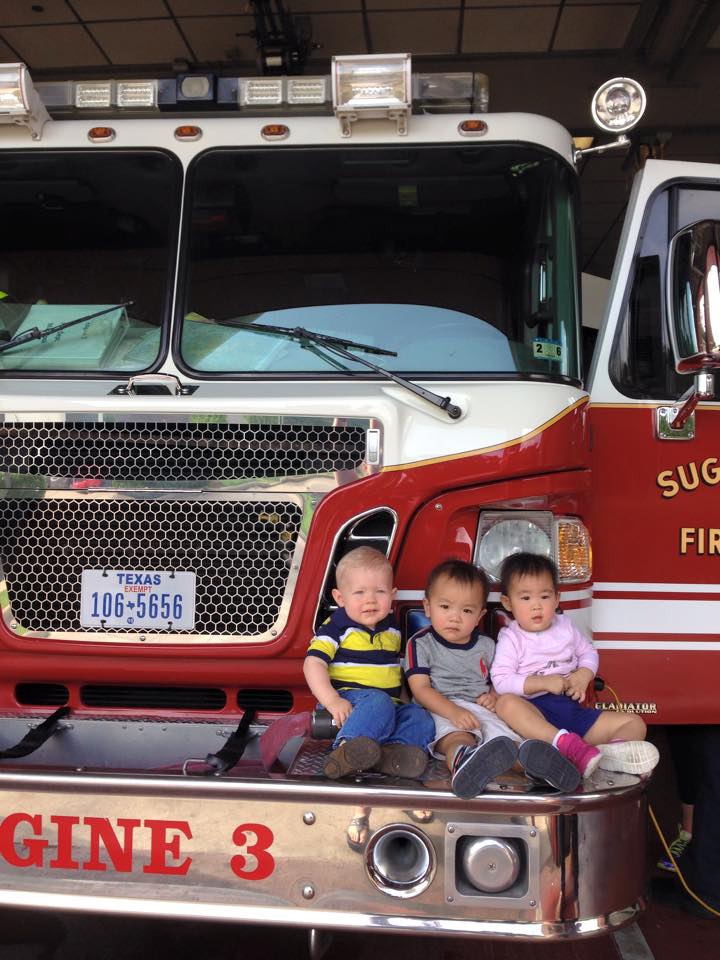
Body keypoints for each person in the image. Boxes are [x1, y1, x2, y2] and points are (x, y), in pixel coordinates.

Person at [404, 558, 582, 799]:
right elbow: (421, 690)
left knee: (507, 742)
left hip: (481, 708)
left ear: (479, 615)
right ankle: (463, 763)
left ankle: (539, 769)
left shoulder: (487, 645)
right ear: (427, 607)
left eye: (466, 610)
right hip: (440, 708)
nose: (455, 617)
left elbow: (498, 680)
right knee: (457, 737)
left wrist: (494, 696)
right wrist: (454, 712)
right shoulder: (420, 643)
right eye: (445, 607)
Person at [491, 552, 659, 780]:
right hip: (536, 714)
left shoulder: (565, 626)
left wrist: (583, 674)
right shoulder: (511, 638)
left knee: (634, 722)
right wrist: (541, 683)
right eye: (526, 598)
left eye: (544, 596)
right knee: (506, 704)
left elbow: (588, 652)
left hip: (573, 711)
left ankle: (609, 755)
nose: (536, 606)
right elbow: (501, 680)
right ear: (507, 603)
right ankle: (567, 746)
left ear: (557, 599)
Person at [303, 545, 435, 780]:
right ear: (340, 598)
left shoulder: (392, 629)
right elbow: (313, 663)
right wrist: (332, 700)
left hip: (387, 704)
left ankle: (391, 756)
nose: (370, 600)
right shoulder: (336, 627)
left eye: (380, 592)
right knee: (378, 700)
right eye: (360, 593)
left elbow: (393, 671)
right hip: (350, 700)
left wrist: (404, 702)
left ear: (393, 595)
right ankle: (346, 750)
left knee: (419, 716)